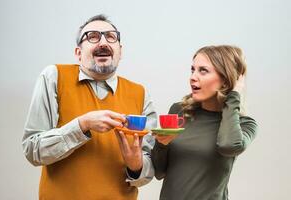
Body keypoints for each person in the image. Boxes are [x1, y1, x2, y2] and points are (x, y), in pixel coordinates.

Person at [22, 14, 157, 200]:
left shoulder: (140, 93)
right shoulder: (53, 77)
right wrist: (82, 125)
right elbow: (32, 150)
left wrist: (136, 166)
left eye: (111, 37)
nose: (103, 42)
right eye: (92, 36)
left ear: (120, 51)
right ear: (78, 53)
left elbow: (148, 170)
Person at [151, 45, 258, 200]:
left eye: (203, 70)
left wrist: (234, 95)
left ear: (226, 80)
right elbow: (159, 171)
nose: (193, 77)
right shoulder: (179, 111)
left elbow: (228, 146)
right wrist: (161, 144)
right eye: (192, 69)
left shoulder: (245, 124)